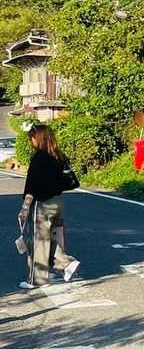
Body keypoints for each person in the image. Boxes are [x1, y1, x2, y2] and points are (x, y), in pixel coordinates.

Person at [18, 123, 79, 289]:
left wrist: (25, 207)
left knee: (38, 240)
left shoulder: (39, 157)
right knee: (48, 238)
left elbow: (32, 184)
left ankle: (38, 280)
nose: (31, 141)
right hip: (57, 201)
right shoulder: (59, 156)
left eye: (32, 138)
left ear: (37, 138)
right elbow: (71, 181)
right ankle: (66, 263)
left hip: (42, 203)